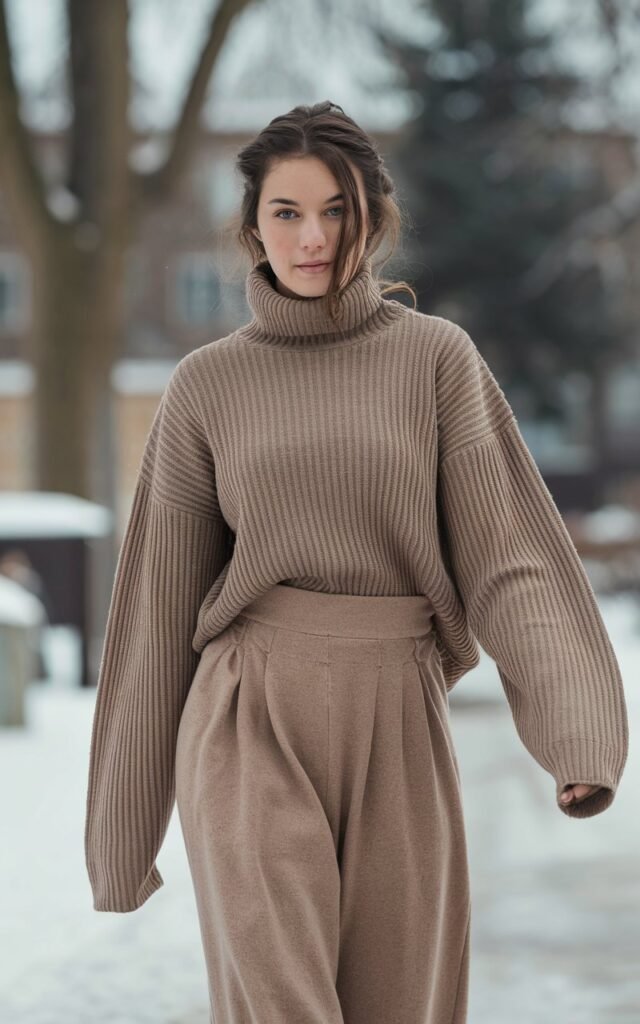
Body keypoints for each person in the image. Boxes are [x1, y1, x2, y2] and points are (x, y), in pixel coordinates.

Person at [84, 100, 629, 1024]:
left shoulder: (436, 362)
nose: (312, 236)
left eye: (335, 209)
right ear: (251, 225)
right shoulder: (206, 385)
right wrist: (124, 828)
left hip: (398, 720)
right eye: (286, 212)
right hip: (247, 717)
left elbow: (511, 558)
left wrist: (575, 726)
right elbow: (158, 609)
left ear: (374, 215)